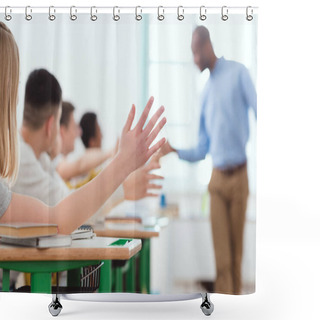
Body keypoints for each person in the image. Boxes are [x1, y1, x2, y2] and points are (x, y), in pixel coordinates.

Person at [0, 22, 166, 236]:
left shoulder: (37, 160)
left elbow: (64, 204)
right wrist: (122, 165)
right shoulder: (24, 159)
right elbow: (59, 219)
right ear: (52, 125)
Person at [156, 26, 257, 295]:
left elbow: (260, 111)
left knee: (235, 260)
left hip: (239, 177)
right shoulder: (205, 95)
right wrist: (175, 150)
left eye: (195, 53)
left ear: (206, 45)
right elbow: (202, 149)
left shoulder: (239, 74)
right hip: (216, 181)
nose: (194, 60)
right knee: (222, 262)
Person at [57, 102, 117, 182]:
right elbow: (80, 165)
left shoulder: (66, 167)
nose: (79, 133)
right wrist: (111, 152)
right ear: (63, 131)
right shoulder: (55, 163)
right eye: (74, 127)